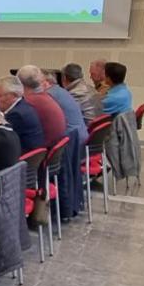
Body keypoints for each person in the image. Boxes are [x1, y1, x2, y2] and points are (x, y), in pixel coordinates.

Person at [43, 69, 89, 220]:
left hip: (71, 144)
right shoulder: (61, 92)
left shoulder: (50, 95)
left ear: (46, 83)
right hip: (77, 141)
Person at [17, 65, 67, 148]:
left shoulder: (28, 102)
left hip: (41, 152)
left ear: (19, 83)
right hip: (49, 152)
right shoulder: (46, 97)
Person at [0, 75, 44, 153]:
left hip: (22, 158)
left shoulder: (16, 115)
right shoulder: (24, 106)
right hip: (30, 157)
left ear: (13, 95)